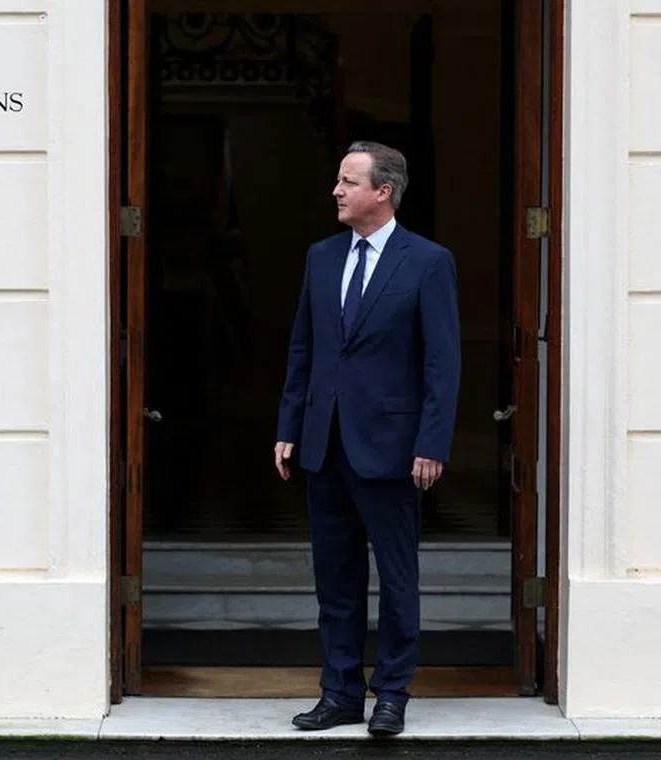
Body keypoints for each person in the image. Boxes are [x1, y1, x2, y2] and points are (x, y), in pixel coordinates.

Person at [275, 141, 461, 736]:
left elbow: (442, 362)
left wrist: (431, 442)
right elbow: (303, 348)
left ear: (383, 192)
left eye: (348, 181)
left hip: (393, 448)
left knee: (398, 580)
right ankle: (338, 694)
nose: (336, 190)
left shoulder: (428, 261)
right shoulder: (321, 257)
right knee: (335, 580)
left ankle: (392, 695)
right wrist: (288, 428)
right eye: (338, 180)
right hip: (324, 444)